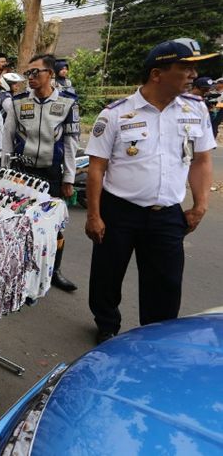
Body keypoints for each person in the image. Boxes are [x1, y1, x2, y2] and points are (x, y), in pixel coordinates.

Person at [84, 38, 217, 345]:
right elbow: (96, 168)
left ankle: (154, 339)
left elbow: (202, 160)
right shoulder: (116, 113)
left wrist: (200, 205)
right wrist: (94, 214)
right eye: (184, 67)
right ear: (157, 74)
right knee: (107, 274)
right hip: (119, 210)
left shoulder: (195, 110)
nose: (192, 74)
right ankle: (107, 326)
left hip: (167, 214)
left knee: (166, 282)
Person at [2, 53, 80, 292]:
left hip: (51, 173)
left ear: (51, 74)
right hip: (22, 173)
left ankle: (54, 270)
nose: (31, 77)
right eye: (29, 73)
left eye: (36, 72)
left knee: (55, 225)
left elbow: (71, 142)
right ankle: (23, 271)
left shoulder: (68, 103)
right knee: (22, 223)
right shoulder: (17, 102)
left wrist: (69, 177)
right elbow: (7, 136)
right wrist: (5, 172)